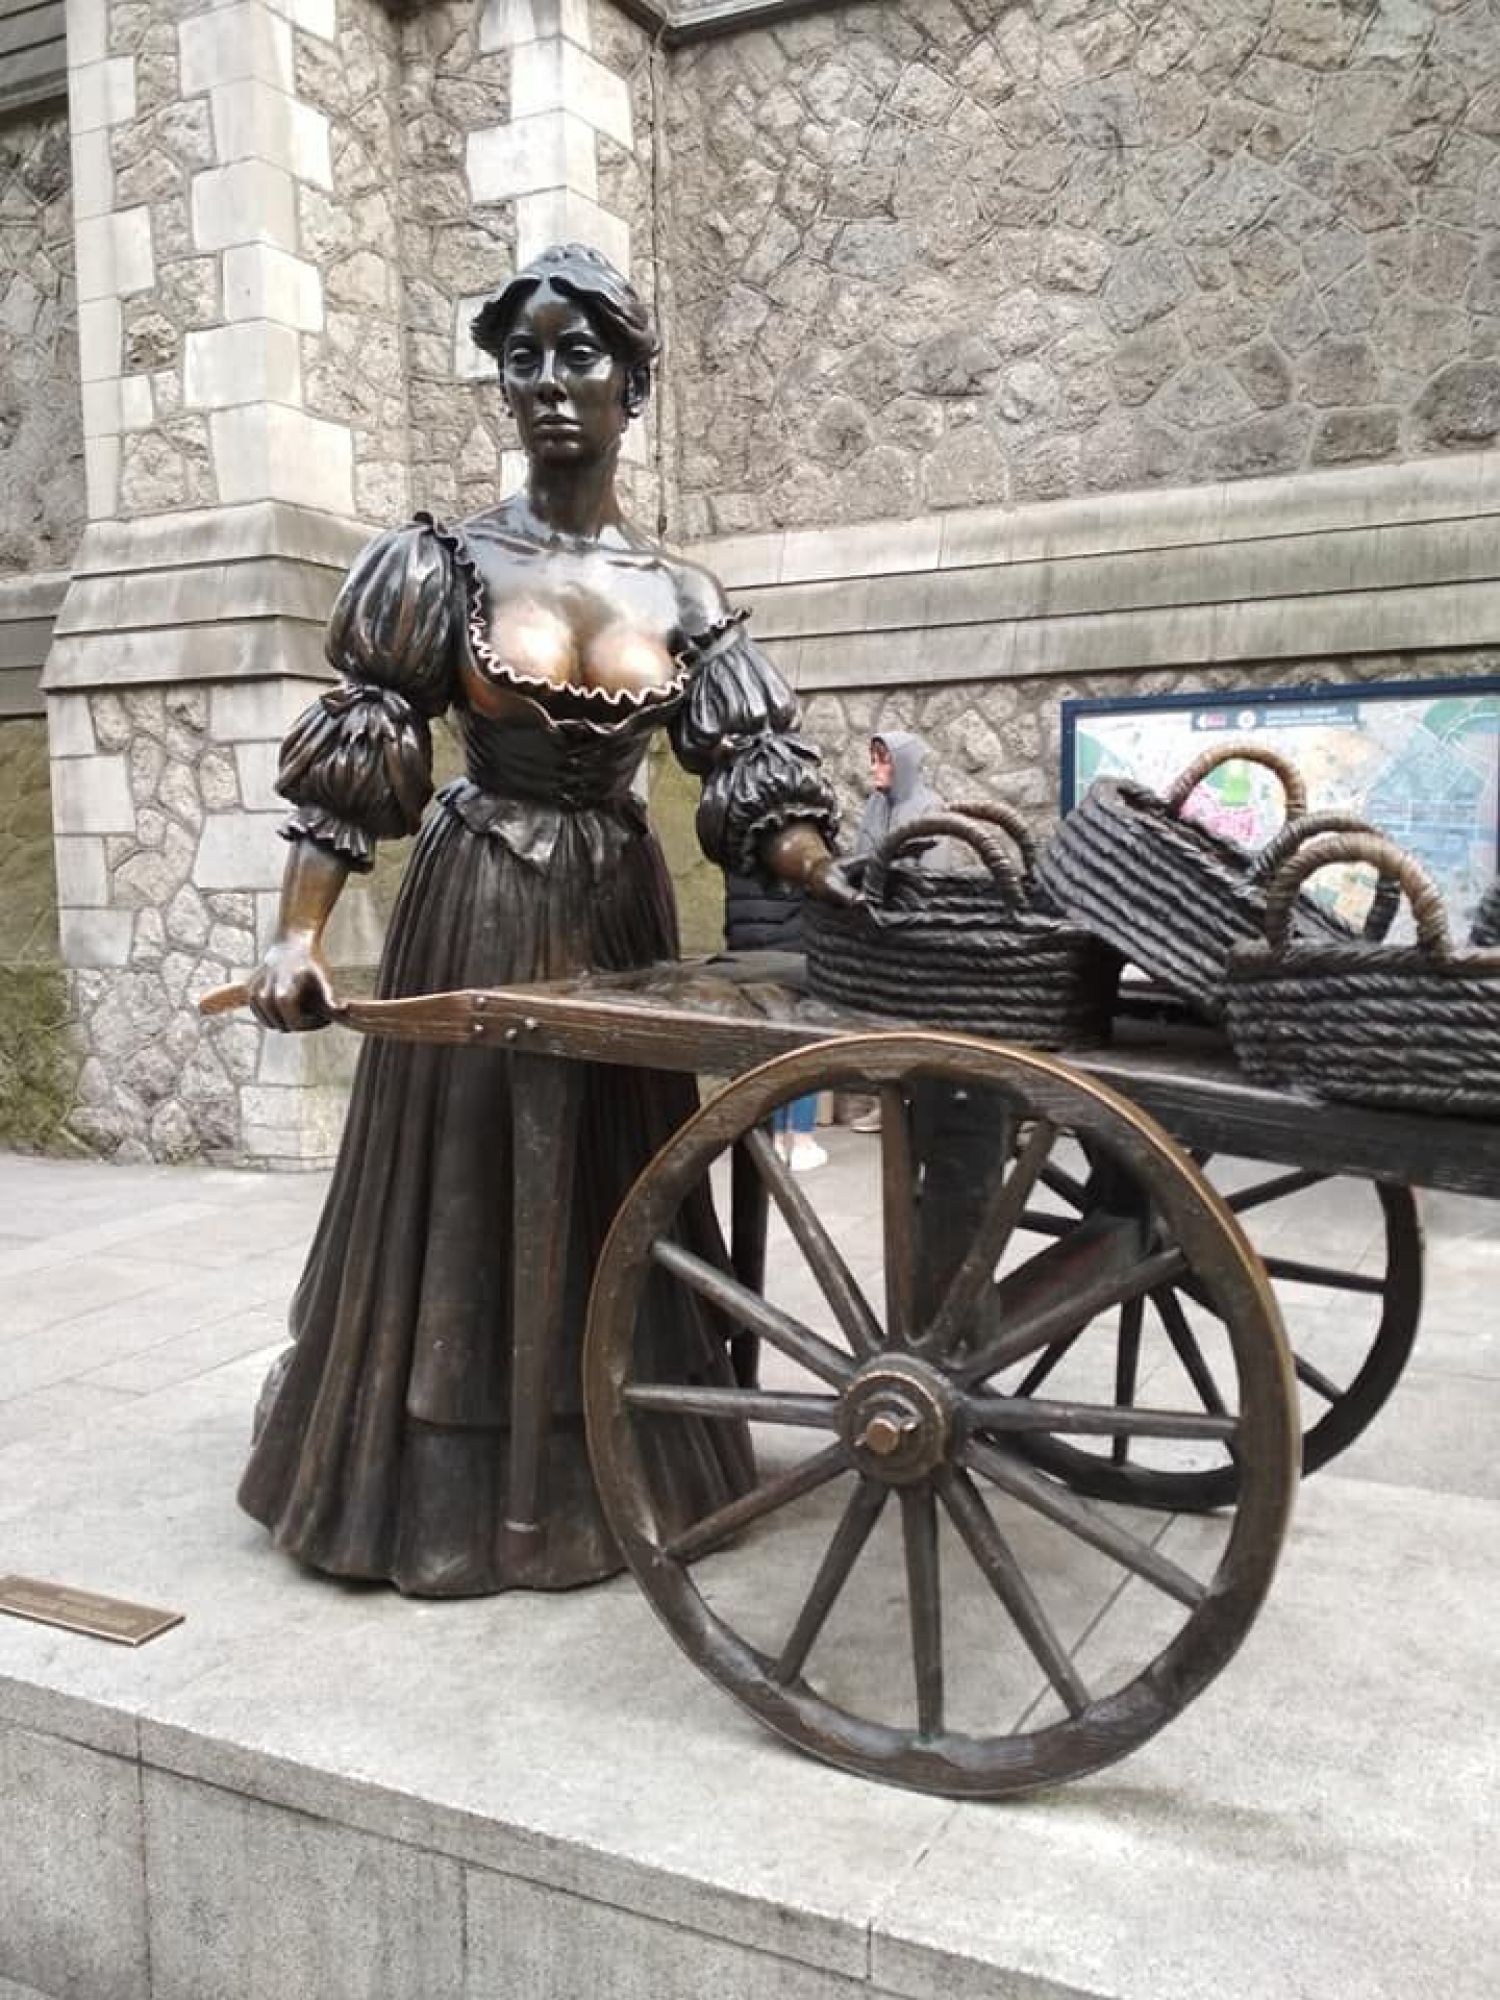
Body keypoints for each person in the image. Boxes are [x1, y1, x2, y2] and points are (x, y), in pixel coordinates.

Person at [237, 244, 844, 1596]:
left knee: (617, 1181)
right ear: (504, 387)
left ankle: (615, 1465)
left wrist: (821, 868)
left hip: (617, 913)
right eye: (526, 359)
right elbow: (359, 760)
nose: (552, 382)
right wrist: (296, 935)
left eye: (582, 355)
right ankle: (443, 1487)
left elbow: (750, 777)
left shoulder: (682, 594)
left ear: (634, 384)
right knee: (465, 1180)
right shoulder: (440, 562)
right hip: (480, 899)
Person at [721, 870, 825, 1171]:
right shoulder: (798, 848)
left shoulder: (738, 849)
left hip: (745, 955)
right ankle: (801, 1140)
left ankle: (774, 1138)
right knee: (803, 1049)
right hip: (792, 956)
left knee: (763, 1051)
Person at [851, 729, 944, 860]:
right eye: (873, 761)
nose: (873, 768)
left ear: (903, 764)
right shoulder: (875, 801)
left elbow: (934, 869)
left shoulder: (931, 809)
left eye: (883, 761)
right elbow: (859, 857)